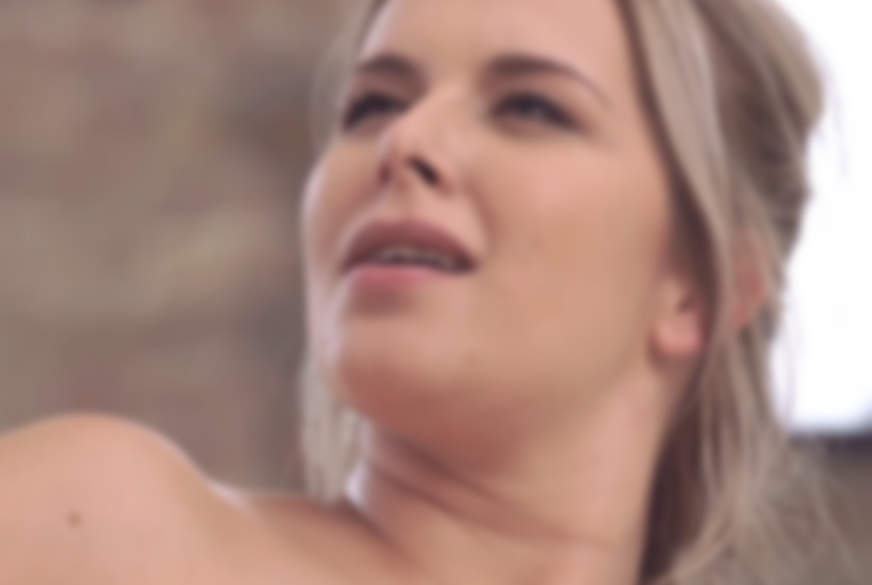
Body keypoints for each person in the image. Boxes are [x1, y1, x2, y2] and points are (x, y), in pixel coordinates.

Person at [0, 1, 850, 584]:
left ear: (700, 289)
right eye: (372, 104)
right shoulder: (99, 534)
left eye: (530, 108)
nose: (404, 138)